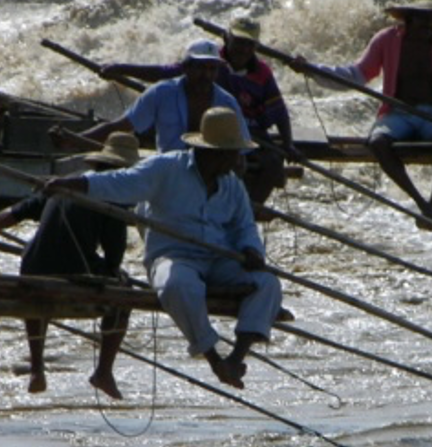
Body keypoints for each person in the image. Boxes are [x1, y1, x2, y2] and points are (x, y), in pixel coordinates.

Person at [45, 108, 280, 388]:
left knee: (267, 283)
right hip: (174, 256)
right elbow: (121, 182)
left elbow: (245, 227)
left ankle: (236, 358)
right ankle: (214, 359)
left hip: (218, 259)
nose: (238, 160)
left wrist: (252, 250)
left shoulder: (232, 185)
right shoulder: (166, 168)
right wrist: (72, 183)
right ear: (213, 152)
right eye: (233, 153)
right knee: (177, 285)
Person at [0, 133, 141, 399]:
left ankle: (37, 368)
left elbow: (16, 212)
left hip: (32, 262)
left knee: (36, 294)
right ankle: (103, 371)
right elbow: (114, 254)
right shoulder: (113, 194)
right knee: (125, 295)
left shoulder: (67, 182)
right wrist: (115, 274)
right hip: (73, 268)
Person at [283, 0, 432, 230]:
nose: (428, 26)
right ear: (409, 18)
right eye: (422, 19)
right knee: (377, 143)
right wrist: (311, 70)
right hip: (398, 114)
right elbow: (356, 75)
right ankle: (419, 202)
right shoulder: (386, 40)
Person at [99, 16, 298, 208]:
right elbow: (163, 73)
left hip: (246, 133)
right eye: (239, 42)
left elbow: (279, 111)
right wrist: (121, 69)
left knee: (272, 164)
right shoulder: (205, 62)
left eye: (249, 44)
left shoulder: (257, 76)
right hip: (202, 140)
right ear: (226, 38)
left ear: (256, 47)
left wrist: (288, 144)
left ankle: (250, 209)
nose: (243, 49)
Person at [71, 40, 249, 154]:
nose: (206, 75)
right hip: (167, 171)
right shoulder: (161, 93)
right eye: (201, 68)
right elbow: (121, 126)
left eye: (212, 69)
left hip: (211, 175)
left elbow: (242, 149)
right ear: (186, 68)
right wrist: (74, 139)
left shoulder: (227, 103)